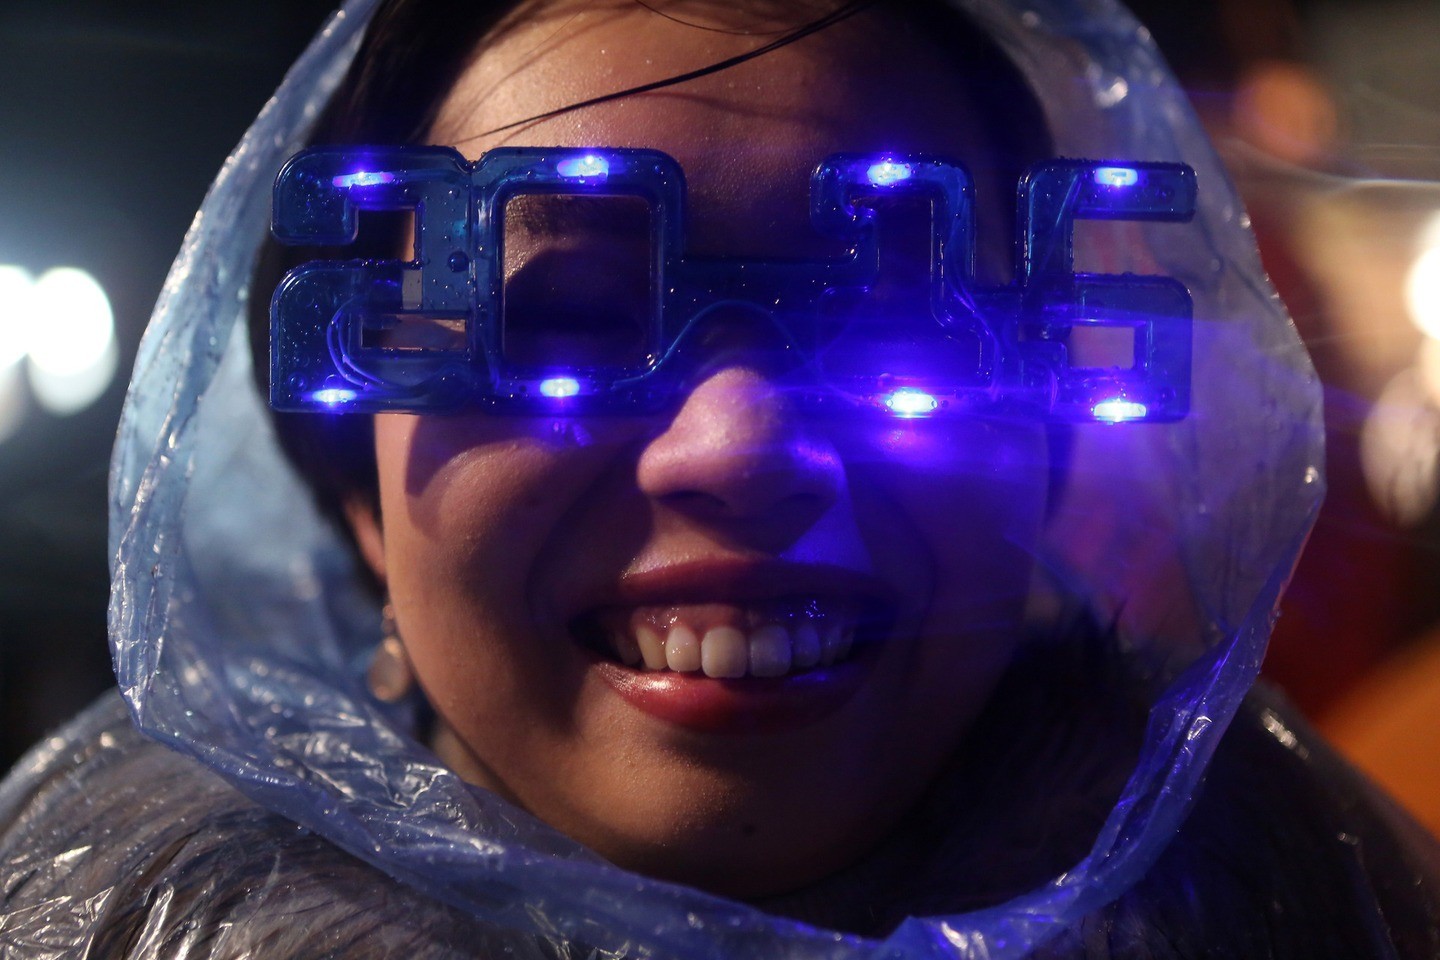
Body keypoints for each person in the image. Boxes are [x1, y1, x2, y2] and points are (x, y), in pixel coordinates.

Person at [0, 0, 1436, 957]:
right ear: (360, 498)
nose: (745, 451)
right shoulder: (103, 924)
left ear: (1051, 445)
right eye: (560, 325)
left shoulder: (1319, 907)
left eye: (897, 321)